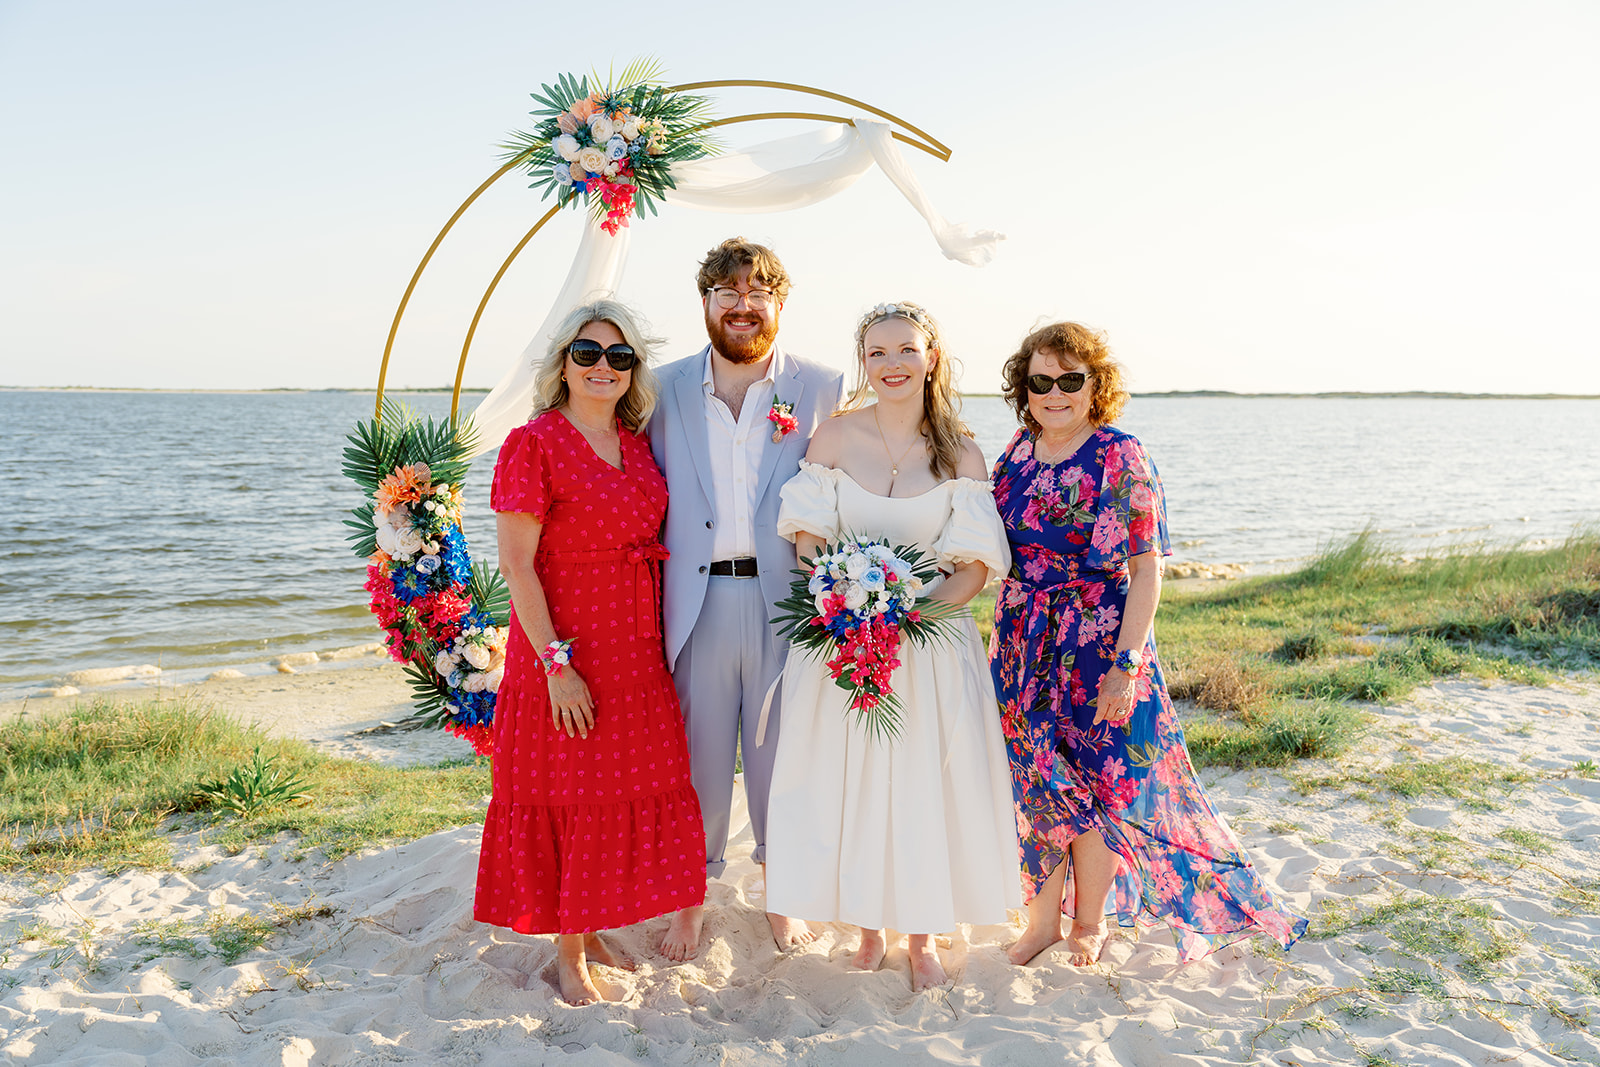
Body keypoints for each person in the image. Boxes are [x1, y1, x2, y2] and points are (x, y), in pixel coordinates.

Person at [987, 321, 1308, 967]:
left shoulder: (1118, 453)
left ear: (1094, 385)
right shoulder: (1015, 453)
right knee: (1036, 783)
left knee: (1099, 783)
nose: (1054, 393)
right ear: (1024, 389)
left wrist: (1125, 664)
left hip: (1097, 644)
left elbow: (1146, 569)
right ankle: (1041, 920)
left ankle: (1088, 923)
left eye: (1069, 380)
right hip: (1022, 643)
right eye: (1041, 380)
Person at [765, 301, 1020, 992]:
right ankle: (869, 927)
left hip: (929, 648)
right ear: (864, 362)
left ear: (932, 356)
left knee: (920, 787)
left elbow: (971, 568)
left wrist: (906, 615)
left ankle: (921, 933)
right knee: (854, 784)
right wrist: (845, 598)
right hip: (844, 643)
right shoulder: (834, 438)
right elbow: (808, 536)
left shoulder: (960, 451)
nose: (892, 365)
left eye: (905, 350)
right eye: (877, 353)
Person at [474, 300, 706, 1005]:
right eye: (587, 353)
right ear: (563, 365)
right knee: (569, 789)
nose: (602, 367)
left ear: (634, 369)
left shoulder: (637, 442)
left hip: (634, 647)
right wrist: (556, 667)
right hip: (565, 646)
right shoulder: (534, 442)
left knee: (620, 785)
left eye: (618, 356)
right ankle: (569, 954)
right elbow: (517, 566)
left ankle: (593, 923)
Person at [649, 237, 846, 957]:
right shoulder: (661, 386)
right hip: (694, 604)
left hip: (786, 601)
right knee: (696, 762)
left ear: (779, 304)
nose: (741, 305)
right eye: (727, 293)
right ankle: (689, 898)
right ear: (704, 302)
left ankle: (781, 891)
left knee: (780, 757)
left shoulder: (823, 386)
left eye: (757, 293)